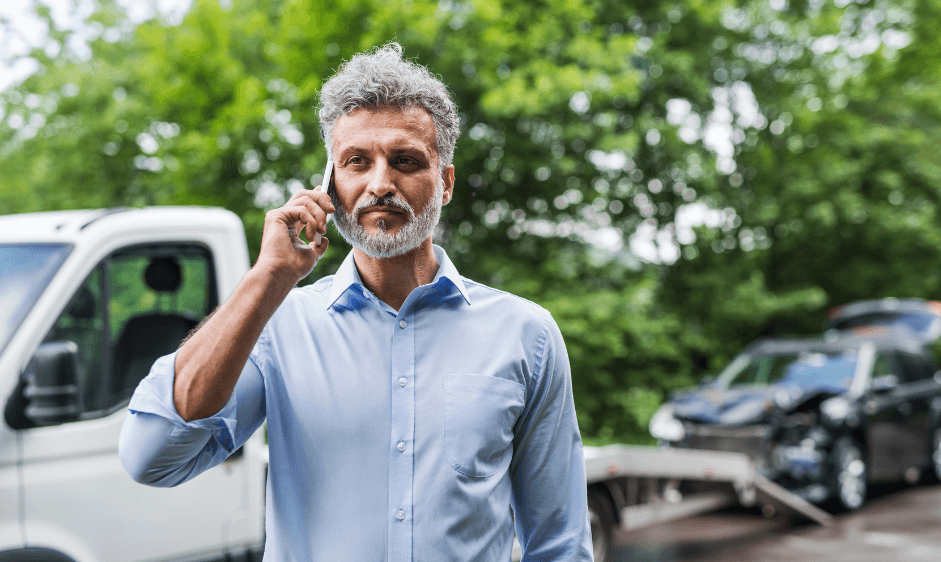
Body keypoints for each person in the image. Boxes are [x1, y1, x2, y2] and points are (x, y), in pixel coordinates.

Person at [119, 42, 593, 561]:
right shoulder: (278, 327)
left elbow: (560, 543)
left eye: (406, 161)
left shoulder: (527, 334)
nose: (380, 183)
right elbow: (152, 457)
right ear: (331, 185)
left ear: (446, 183)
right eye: (356, 162)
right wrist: (268, 278)